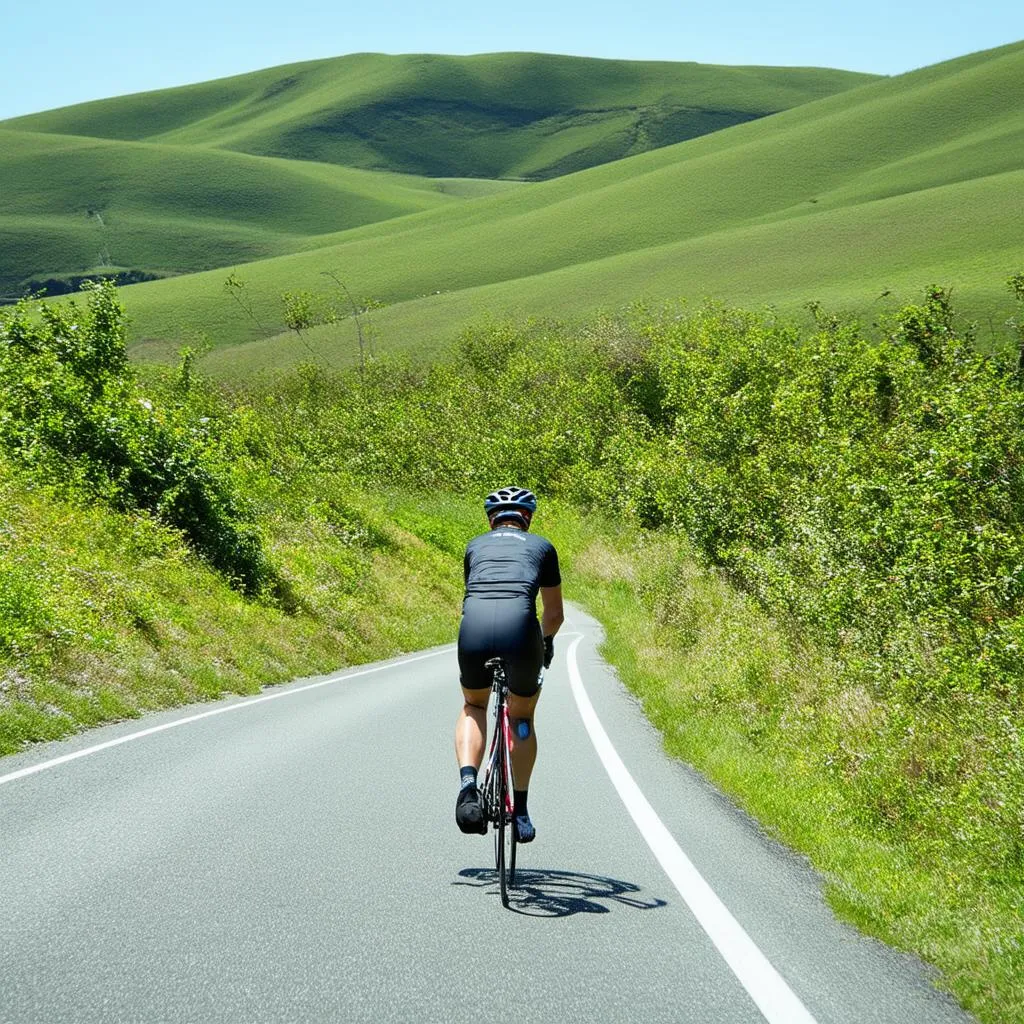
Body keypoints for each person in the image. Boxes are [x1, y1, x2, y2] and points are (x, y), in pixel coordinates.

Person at [454, 486, 564, 843]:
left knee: (474, 704)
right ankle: (521, 811)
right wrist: (544, 644)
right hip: (520, 634)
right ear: (527, 518)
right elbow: (555, 614)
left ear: (491, 520)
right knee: (522, 717)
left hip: (474, 630)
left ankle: (469, 786)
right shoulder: (542, 547)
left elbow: (475, 594)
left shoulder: (474, 546)